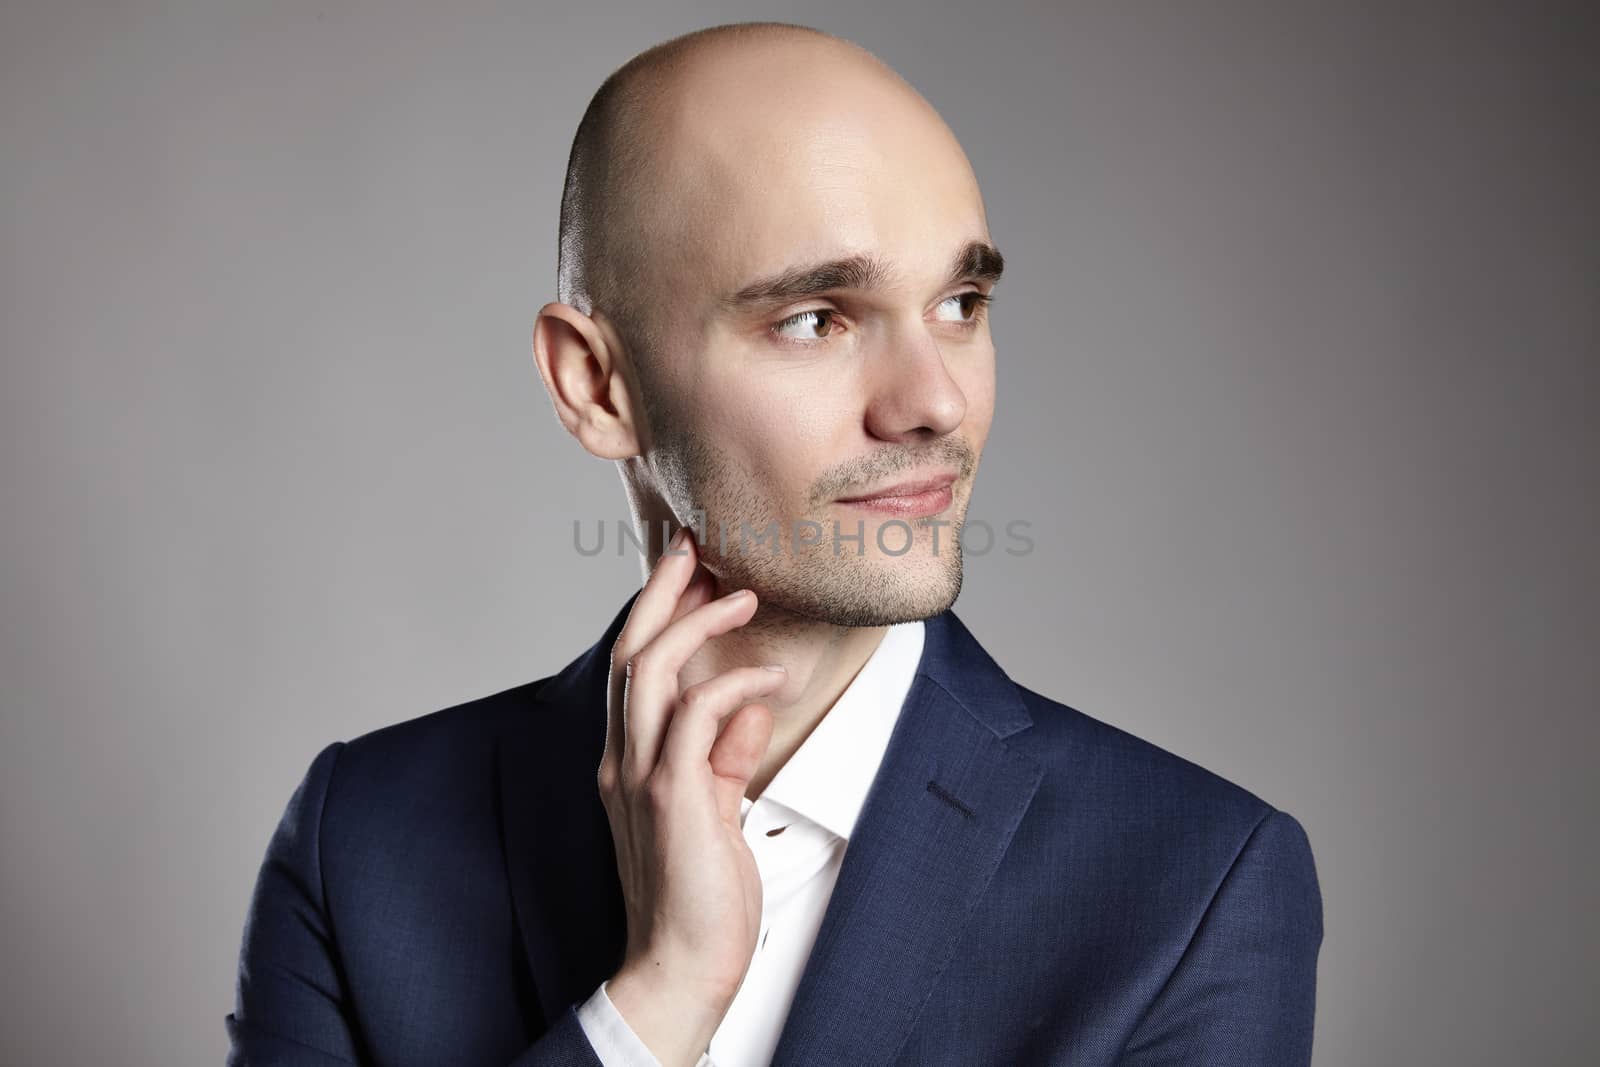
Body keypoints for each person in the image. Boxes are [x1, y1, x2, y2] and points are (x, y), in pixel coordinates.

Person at [226, 20, 1322, 1067]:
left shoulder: (1193, 886)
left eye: (961, 300)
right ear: (597, 384)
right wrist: (654, 1002)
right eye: (816, 318)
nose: (935, 402)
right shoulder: (361, 840)